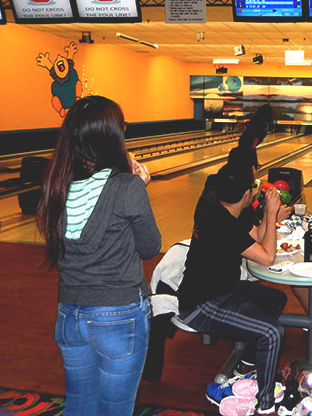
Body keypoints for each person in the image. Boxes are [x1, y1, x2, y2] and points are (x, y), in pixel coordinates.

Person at [36, 95, 161, 415]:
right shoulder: (127, 187)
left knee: (79, 404)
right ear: (112, 136)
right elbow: (149, 248)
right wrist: (139, 186)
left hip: (69, 315)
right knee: (114, 409)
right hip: (117, 315)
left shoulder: (57, 185)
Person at [177, 163, 286, 415]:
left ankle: (247, 360)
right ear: (247, 194)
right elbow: (267, 257)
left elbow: (257, 238)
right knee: (272, 333)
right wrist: (270, 214)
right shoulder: (222, 223)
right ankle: (265, 403)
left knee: (275, 299)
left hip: (224, 291)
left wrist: (273, 220)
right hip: (202, 305)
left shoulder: (224, 209)